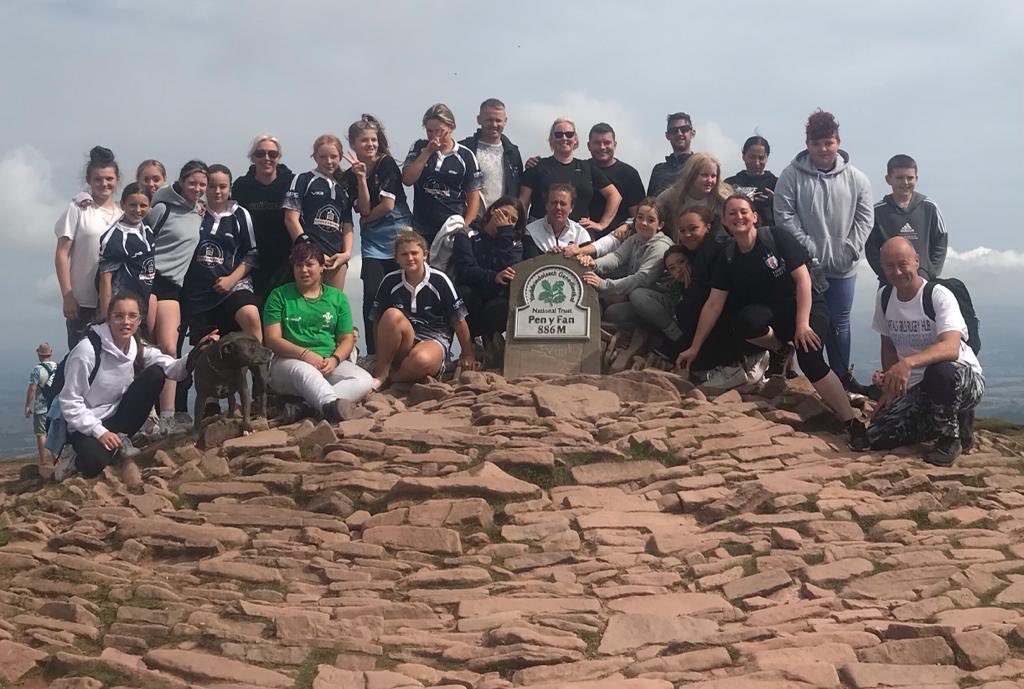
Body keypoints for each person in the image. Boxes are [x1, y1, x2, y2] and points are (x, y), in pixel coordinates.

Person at [677, 195, 868, 447]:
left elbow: (803, 281)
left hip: (806, 307)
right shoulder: (728, 256)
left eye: (744, 211)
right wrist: (695, 347)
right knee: (744, 322)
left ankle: (852, 423)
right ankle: (780, 350)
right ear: (724, 221)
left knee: (810, 358)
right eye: (732, 213)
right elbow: (713, 304)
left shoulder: (777, 238)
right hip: (772, 314)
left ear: (755, 216)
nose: (738, 217)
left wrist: (802, 325)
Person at [854, 238, 983, 466]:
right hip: (918, 385)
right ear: (882, 268)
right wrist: (889, 387)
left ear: (916, 261)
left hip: (962, 379)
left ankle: (950, 439)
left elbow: (951, 347)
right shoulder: (884, 298)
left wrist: (908, 363)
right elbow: (888, 345)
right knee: (876, 437)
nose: (897, 271)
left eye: (903, 263)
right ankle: (944, 422)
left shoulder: (937, 295)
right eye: (889, 266)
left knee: (940, 371)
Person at [54, 292, 204, 481]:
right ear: (109, 318)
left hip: (117, 417)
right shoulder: (87, 351)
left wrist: (199, 351)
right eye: (119, 316)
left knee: (155, 374)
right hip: (85, 424)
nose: (126, 322)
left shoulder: (135, 346)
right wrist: (100, 432)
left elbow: (174, 370)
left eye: (132, 316)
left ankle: (121, 438)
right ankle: (72, 457)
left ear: (140, 320)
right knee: (95, 464)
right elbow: (70, 402)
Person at [774, 110, 873, 387]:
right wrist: (807, 252)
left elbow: (865, 219)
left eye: (828, 142)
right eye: (816, 143)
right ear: (807, 144)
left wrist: (849, 251)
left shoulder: (858, 179)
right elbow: (784, 216)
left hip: (844, 267)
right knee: (806, 322)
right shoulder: (790, 176)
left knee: (840, 323)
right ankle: (815, 379)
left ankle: (842, 377)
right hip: (804, 268)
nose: (823, 149)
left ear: (838, 142)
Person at [263, 242, 374, 423]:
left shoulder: (337, 298)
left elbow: (346, 338)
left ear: (322, 267)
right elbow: (273, 340)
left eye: (309, 264)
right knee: (307, 373)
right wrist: (305, 354)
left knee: (364, 380)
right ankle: (330, 407)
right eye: (298, 265)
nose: (304, 270)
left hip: (328, 362)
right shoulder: (279, 296)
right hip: (288, 364)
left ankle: (304, 408)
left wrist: (335, 359)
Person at [145, 159, 209, 434]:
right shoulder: (162, 208)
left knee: (170, 350)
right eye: (193, 183)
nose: (197, 188)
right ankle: (147, 415)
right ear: (181, 182)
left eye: (202, 184)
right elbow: (142, 239)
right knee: (145, 350)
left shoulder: (199, 212)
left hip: (173, 286)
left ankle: (168, 416)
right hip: (149, 282)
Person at [342, 115, 413, 356]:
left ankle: (406, 349)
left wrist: (368, 218)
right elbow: (362, 207)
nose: (370, 144)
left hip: (399, 235)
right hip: (373, 243)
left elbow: (388, 205)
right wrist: (361, 178)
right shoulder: (350, 175)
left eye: (373, 139)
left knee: (404, 292)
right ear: (353, 143)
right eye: (364, 141)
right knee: (372, 294)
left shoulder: (386, 163)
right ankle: (374, 353)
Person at [370, 231, 476, 386]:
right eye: (404, 254)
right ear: (397, 259)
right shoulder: (390, 281)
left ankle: (394, 378)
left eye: (414, 253)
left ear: (425, 255)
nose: (410, 258)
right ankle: (382, 373)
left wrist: (468, 354)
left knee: (421, 361)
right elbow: (377, 321)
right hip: (405, 339)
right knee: (391, 315)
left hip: (434, 338)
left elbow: (459, 321)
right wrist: (380, 355)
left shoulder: (440, 280)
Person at [181, 164, 261, 346]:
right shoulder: (194, 212)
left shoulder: (240, 215)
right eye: (211, 185)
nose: (217, 191)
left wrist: (232, 279)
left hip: (232, 285)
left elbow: (252, 253)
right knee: (207, 350)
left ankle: (259, 371)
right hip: (198, 292)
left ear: (230, 188)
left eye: (223, 186)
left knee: (251, 316)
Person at [581, 197, 678, 346]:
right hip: (641, 296)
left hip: (663, 301)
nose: (643, 223)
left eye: (650, 220)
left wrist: (604, 284)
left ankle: (674, 336)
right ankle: (650, 333)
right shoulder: (636, 238)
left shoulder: (660, 247)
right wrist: (593, 264)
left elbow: (642, 279)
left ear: (660, 225)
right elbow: (617, 257)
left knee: (637, 295)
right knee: (613, 313)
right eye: (640, 218)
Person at [55, 146, 121, 348]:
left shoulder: (123, 214)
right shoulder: (78, 208)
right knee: (80, 360)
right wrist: (67, 295)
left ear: (117, 179)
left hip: (114, 303)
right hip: (83, 302)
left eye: (109, 178)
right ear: (89, 180)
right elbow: (62, 253)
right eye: (98, 179)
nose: (104, 183)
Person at [672, 207, 747, 372]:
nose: (687, 235)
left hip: (731, 314)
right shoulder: (694, 252)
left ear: (708, 226)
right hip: (718, 311)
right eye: (682, 230)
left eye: (693, 229)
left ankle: (729, 366)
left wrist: (688, 289)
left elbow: (706, 296)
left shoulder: (712, 250)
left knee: (687, 309)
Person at [518, 118, 621, 233]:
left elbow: (614, 196)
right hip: (540, 234)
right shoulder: (537, 167)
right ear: (551, 139)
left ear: (575, 139)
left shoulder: (588, 167)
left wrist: (602, 224)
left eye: (569, 134)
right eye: (558, 135)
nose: (564, 138)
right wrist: (520, 229)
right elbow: (523, 202)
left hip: (579, 235)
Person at [452, 197, 525, 356]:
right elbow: (465, 269)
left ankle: (493, 344)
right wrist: (492, 276)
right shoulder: (467, 233)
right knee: (464, 295)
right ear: (493, 210)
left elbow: (509, 270)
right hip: (473, 289)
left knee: (502, 306)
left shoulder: (515, 243)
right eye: (504, 214)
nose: (507, 220)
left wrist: (504, 234)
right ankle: (470, 345)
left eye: (513, 220)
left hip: (497, 295)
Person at [403, 104, 483, 245]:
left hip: (451, 225)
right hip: (422, 226)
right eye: (429, 131)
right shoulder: (419, 146)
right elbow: (408, 179)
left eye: (439, 131)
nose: (434, 136)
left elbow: (473, 196)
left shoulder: (465, 155)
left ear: (450, 128)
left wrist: (465, 226)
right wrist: (427, 152)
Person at [284, 134, 354, 290]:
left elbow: (348, 224)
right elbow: (290, 219)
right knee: (308, 304)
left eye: (333, 156)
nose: (328, 161)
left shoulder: (343, 187)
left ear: (340, 157)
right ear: (315, 157)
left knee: (332, 307)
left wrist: (347, 253)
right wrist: (312, 251)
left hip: (336, 256)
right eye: (323, 157)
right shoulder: (303, 179)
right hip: (309, 255)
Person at [232, 134, 295, 301]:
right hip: (252, 260)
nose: (266, 158)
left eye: (272, 154)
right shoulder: (241, 186)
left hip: (285, 259)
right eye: (260, 154)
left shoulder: (292, 182)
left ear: (278, 158)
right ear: (253, 157)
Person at [865, 154, 948, 282]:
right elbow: (871, 248)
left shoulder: (929, 207)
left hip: (924, 281)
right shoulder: (877, 211)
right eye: (899, 178)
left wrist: (932, 271)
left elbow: (941, 241)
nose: (905, 182)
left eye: (910, 178)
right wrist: (885, 274)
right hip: (890, 283)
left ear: (916, 178)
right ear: (888, 179)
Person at [97, 183, 157, 336]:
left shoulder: (147, 230)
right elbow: (105, 278)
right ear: (122, 204)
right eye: (132, 205)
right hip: (123, 309)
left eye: (143, 205)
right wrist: (106, 317)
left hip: (143, 304)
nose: (138, 210)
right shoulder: (114, 237)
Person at [458, 98, 524, 208]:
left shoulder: (513, 153)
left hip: (502, 218)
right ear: (479, 120)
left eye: (498, 120)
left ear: (505, 121)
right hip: (469, 218)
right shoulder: (464, 149)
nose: (494, 124)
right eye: (489, 120)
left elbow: (518, 188)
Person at [586, 123, 646, 237]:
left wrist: (628, 226)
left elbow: (638, 215)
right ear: (589, 146)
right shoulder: (581, 169)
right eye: (597, 143)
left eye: (607, 143)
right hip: (583, 238)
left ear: (615, 144)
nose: (602, 147)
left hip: (618, 240)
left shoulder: (629, 174)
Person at [657, 152, 733, 240]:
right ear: (691, 175)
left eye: (713, 176)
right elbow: (653, 213)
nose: (709, 180)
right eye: (704, 175)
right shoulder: (672, 195)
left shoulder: (723, 198)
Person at [523, 184, 592, 258]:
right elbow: (530, 265)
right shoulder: (531, 232)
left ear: (571, 208)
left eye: (563, 204)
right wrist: (546, 258)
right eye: (554, 203)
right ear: (546, 205)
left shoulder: (581, 234)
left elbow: (587, 265)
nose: (558, 207)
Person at [725, 136, 777, 227]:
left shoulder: (777, 184)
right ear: (743, 156)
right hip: (735, 235)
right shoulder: (729, 183)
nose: (756, 162)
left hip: (768, 236)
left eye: (761, 158)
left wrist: (776, 201)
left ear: (767, 158)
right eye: (752, 157)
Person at [25, 342, 57, 476]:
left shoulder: (37, 369)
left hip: (41, 406)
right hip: (56, 405)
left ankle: (43, 462)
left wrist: (27, 405)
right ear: (51, 352)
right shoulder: (57, 366)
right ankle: (57, 460)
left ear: (39, 354)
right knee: (55, 432)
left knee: (41, 433)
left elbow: (32, 388)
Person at [648, 112, 697, 196]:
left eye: (684, 129)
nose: (679, 133)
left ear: (692, 133)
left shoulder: (701, 166)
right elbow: (649, 203)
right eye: (674, 131)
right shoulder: (658, 170)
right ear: (667, 136)